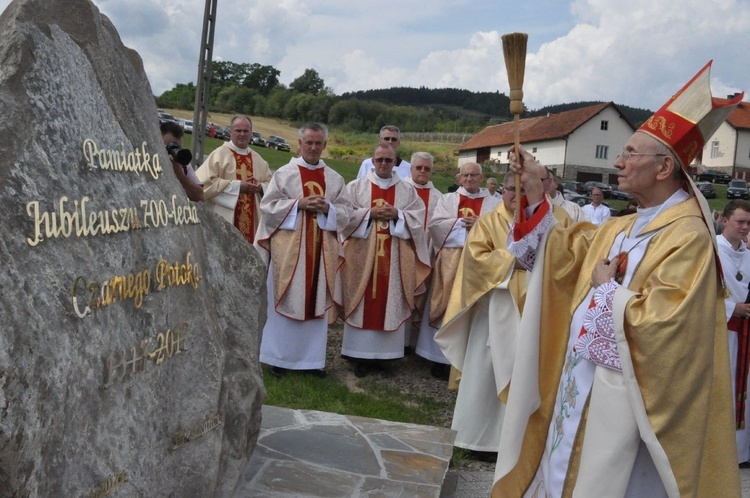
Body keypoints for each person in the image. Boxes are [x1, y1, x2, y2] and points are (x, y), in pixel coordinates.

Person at [494, 61, 741, 497]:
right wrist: (533, 186)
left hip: (629, 409)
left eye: (629, 154)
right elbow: (561, 257)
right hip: (581, 384)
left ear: (664, 168)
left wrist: (609, 292)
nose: (620, 163)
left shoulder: (689, 236)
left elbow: (668, 328)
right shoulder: (622, 225)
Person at [434, 173, 570, 457]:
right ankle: (479, 441)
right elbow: (475, 259)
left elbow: (568, 257)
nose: (516, 196)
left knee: (530, 371)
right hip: (493, 311)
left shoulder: (557, 220)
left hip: (537, 311)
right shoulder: (488, 221)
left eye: (525, 190)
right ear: (502, 191)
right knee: (485, 373)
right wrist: (514, 261)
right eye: (510, 189)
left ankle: (523, 441)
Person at [254, 123, 351, 378]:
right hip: (289, 253)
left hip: (321, 254)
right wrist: (299, 204)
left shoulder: (334, 179)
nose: (313, 147)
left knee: (315, 303)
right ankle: (278, 358)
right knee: (284, 299)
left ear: (325, 146)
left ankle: (311, 361)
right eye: (308, 142)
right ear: (299, 144)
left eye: (318, 143)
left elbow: (347, 213)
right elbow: (268, 207)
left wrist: (328, 208)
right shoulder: (284, 174)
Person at [339, 143, 430, 377]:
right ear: (372, 160)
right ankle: (358, 355)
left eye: (388, 160)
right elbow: (344, 216)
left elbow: (419, 220)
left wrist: (398, 214)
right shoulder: (356, 187)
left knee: (389, 301)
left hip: (395, 257)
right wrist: (369, 214)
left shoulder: (407, 191)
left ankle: (385, 357)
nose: (383, 164)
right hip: (361, 258)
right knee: (362, 300)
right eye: (379, 159)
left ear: (395, 162)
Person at [421, 162, 500, 374]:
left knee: (472, 309)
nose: (470, 179)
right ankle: (439, 359)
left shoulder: (494, 203)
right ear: (458, 178)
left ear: (482, 178)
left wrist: (480, 224)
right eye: (465, 175)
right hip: (451, 262)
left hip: (479, 265)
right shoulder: (448, 199)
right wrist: (460, 224)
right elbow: (435, 226)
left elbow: (501, 230)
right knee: (447, 304)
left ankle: (466, 362)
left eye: (474, 175)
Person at [196, 115, 272, 244]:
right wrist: (236, 186)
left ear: (251, 133)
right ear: (230, 132)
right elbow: (203, 184)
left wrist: (260, 187)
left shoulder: (259, 160)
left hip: (253, 224)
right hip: (224, 219)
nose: (242, 134)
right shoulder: (219, 154)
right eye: (238, 130)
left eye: (246, 131)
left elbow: (271, 185)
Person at [718, 200, 750, 466]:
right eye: (740, 222)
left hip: (746, 333)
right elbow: (698, 290)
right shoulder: (710, 249)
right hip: (720, 330)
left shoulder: (749, 254)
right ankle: (720, 451)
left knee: (745, 389)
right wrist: (732, 307)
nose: (745, 227)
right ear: (725, 220)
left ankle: (741, 453)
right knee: (722, 388)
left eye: (748, 223)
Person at [401, 152, 442, 353]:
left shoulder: (439, 197)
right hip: (405, 252)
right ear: (411, 169)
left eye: (427, 168)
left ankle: (416, 343)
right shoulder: (401, 190)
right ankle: (400, 341)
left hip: (428, 254)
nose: (423, 172)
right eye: (419, 167)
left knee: (423, 298)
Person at [160, 121, 203, 202]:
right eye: (169, 146)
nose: (173, 151)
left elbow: (199, 196)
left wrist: (181, 175)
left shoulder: (182, 164)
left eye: (177, 147)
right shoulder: (149, 158)